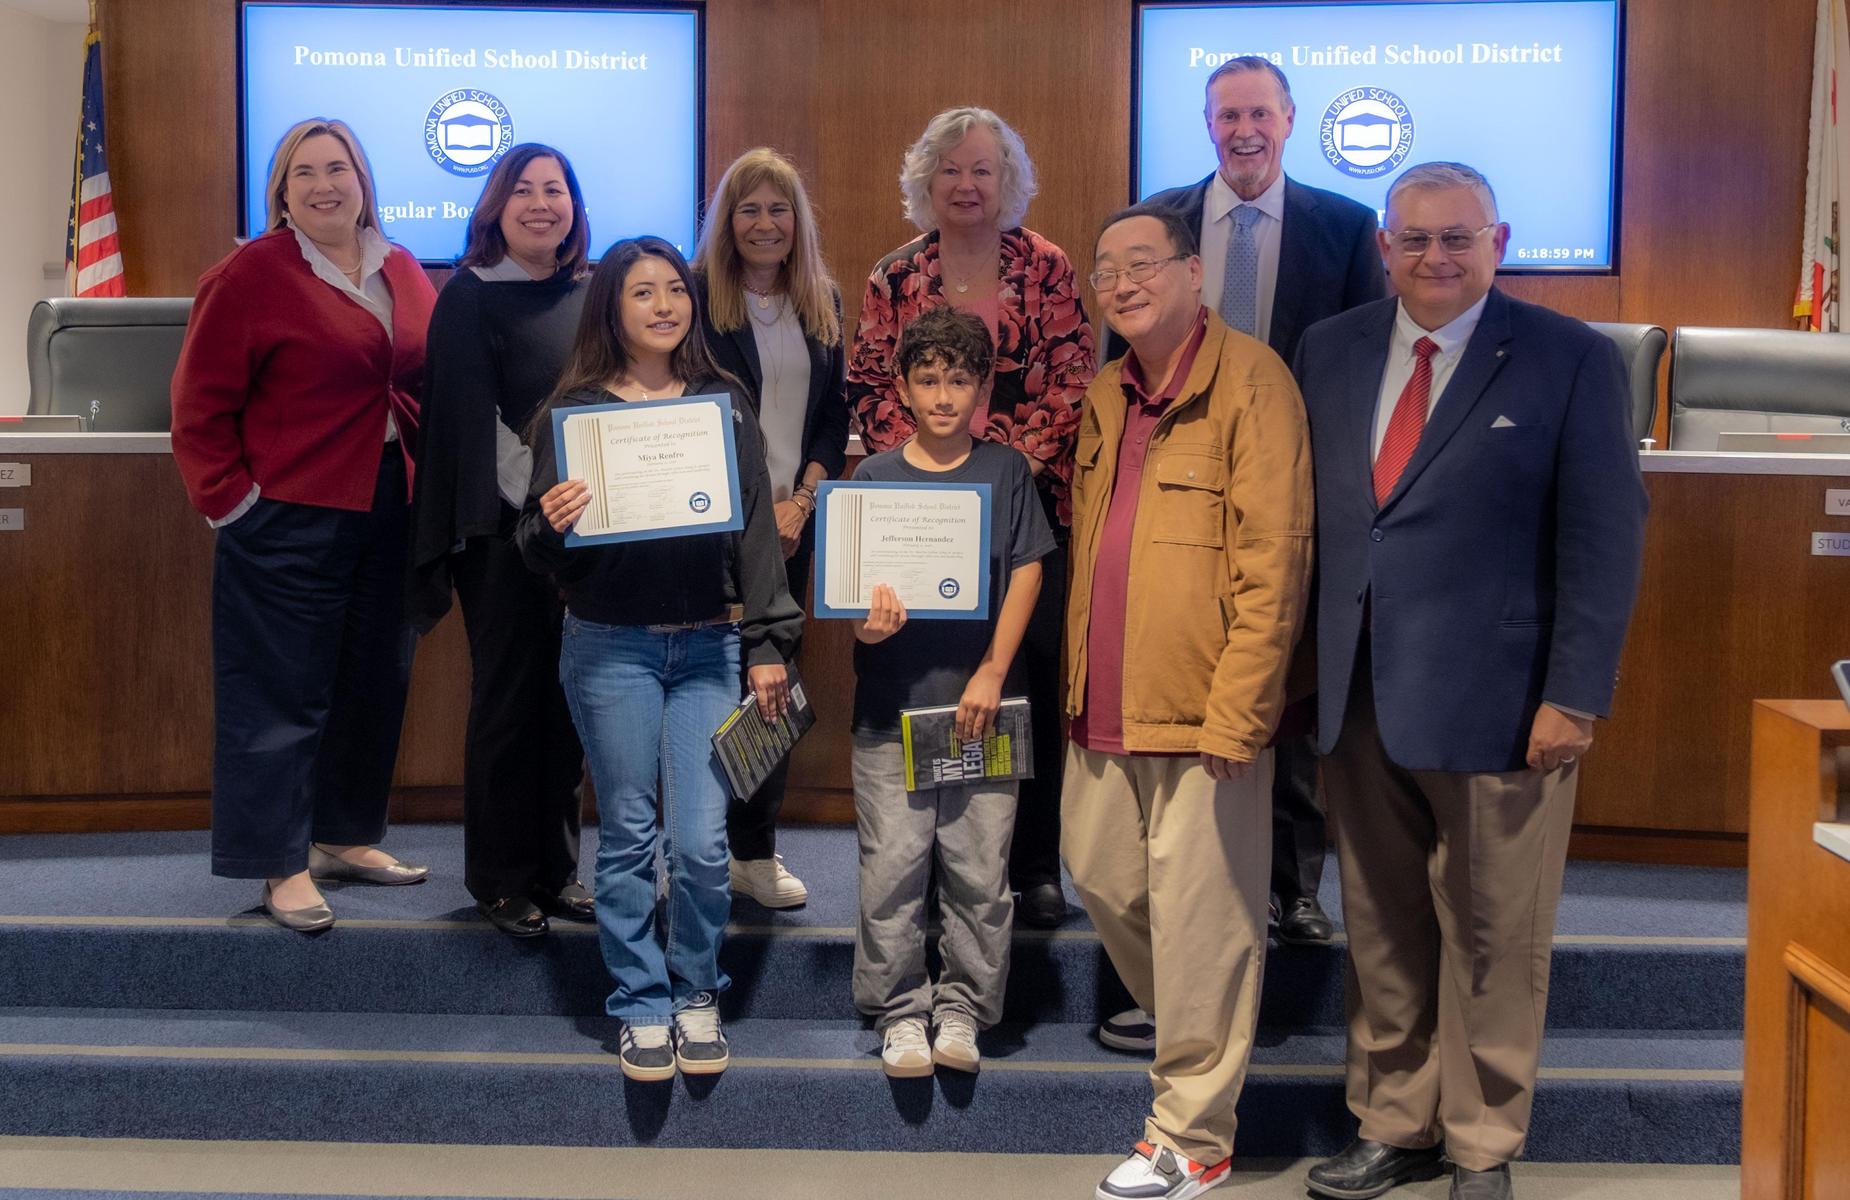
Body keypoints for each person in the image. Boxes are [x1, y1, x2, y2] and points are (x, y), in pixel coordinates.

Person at [1295, 163, 1646, 1200]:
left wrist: (1573, 693)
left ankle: (1480, 1142)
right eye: (1414, 239)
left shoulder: (1567, 357)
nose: (1434, 258)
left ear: (1496, 241)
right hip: (1356, 696)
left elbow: (1604, 536)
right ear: (1382, 247)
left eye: (1456, 238)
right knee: (1380, 922)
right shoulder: (1331, 349)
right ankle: (1393, 1122)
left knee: (1494, 930)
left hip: (1504, 703)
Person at [1099, 51, 1388, 1058]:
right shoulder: (1164, 220)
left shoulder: (1347, 229)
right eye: (1227, 114)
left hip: (1287, 480)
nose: (1244, 130)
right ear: (1207, 123)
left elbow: (1358, 360)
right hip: (1178, 481)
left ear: (1290, 118)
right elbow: (1119, 351)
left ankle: (1290, 888)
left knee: (1285, 687)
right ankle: (1193, 947)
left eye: (1261, 112)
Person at [1064, 204, 1312, 1200]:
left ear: (1193, 272)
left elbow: (1275, 564)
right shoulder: (1102, 392)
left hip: (1203, 713)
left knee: (1203, 924)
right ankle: (1205, 1040)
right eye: (1103, 269)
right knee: (1101, 880)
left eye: (1141, 264)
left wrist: (1241, 712)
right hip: (1103, 702)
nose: (1120, 283)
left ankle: (1189, 1135)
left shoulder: (1254, 382)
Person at [515, 236, 801, 1083]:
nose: (664, 305)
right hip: (611, 649)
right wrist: (552, 523)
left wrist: (769, 643)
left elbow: (755, 532)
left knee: (706, 843)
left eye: (675, 289)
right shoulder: (571, 414)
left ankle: (696, 990)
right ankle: (640, 1001)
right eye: (643, 292)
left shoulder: (724, 403)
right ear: (613, 306)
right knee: (631, 834)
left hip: (712, 645)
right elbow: (537, 550)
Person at [170, 117, 437, 933]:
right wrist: (232, 503)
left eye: (339, 167)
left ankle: (343, 835)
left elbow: (424, 376)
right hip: (286, 515)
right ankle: (279, 863)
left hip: (388, 505)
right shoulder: (250, 274)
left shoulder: (403, 269)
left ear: (363, 178)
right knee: (278, 695)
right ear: (281, 193)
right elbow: (198, 406)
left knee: (372, 681)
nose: (326, 184)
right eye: (305, 172)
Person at [847, 105, 1094, 930]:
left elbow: (1072, 376)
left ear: (1007, 181)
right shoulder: (894, 276)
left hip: (1028, 506)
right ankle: (923, 857)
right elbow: (872, 385)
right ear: (926, 181)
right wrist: (935, 473)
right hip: (920, 512)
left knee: (1023, 676)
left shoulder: (1047, 265)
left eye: (983, 168)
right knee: (929, 674)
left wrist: (1003, 467)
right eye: (949, 169)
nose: (966, 183)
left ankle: (1032, 865)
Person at [846, 306, 1054, 1079]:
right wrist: (868, 629)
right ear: (901, 387)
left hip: (981, 710)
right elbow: (852, 602)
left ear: (982, 388)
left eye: (958, 380)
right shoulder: (873, 476)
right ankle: (900, 1011)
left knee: (977, 869)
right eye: (927, 379)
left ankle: (963, 1008)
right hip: (891, 705)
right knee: (892, 868)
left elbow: (1029, 567)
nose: (942, 396)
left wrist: (995, 671)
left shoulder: (1004, 470)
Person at [408, 144, 594, 939]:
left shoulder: (593, 297)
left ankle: (555, 872)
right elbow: (467, 422)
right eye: (524, 190)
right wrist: (545, 505)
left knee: (568, 708)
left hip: (585, 538)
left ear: (574, 208)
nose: (541, 204)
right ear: (494, 206)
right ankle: (499, 878)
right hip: (506, 537)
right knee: (509, 705)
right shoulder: (470, 297)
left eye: (556, 190)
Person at [693, 147, 850, 910]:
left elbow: (833, 416)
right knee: (708, 687)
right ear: (727, 222)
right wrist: (758, 517)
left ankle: (754, 852)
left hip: (796, 526)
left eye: (778, 209)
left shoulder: (823, 300)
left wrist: (805, 502)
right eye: (748, 208)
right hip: (716, 534)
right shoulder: (694, 299)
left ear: (798, 223)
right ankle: (698, 847)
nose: (764, 223)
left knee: (774, 685)